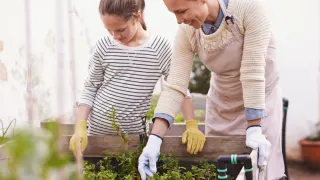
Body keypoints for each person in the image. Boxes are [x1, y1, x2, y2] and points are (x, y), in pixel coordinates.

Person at [138, 0, 285, 179]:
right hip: (222, 106)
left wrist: (254, 129)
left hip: (259, 105)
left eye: (182, 11)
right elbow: (175, 87)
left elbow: (252, 72)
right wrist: (154, 139)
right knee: (220, 170)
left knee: (259, 171)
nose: (178, 20)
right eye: (173, 13)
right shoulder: (187, 31)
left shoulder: (248, 10)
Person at [69, 0, 200, 156]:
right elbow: (90, 87)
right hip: (96, 138)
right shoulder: (104, 45)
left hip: (134, 143)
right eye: (109, 30)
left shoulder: (158, 48)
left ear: (137, 16)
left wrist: (191, 125)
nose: (115, 36)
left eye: (120, 30)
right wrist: (80, 126)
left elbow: (179, 87)